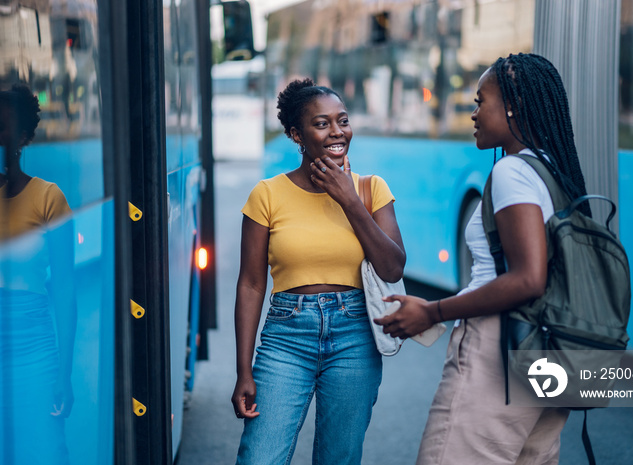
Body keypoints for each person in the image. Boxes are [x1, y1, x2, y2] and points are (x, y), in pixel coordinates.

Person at [376, 53, 590, 464]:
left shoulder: (513, 173)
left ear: (513, 106)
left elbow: (529, 278)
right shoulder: (552, 170)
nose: (473, 112)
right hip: (547, 353)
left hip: (500, 349)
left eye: (480, 101)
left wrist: (433, 311)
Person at [231, 78, 405, 465]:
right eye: (321, 123)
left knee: (338, 459)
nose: (336, 132)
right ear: (296, 134)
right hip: (286, 338)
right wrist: (244, 370)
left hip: (355, 335)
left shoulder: (371, 189)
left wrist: (348, 198)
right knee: (259, 458)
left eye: (342, 121)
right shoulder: (267, 194)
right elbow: (251, 284)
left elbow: (392, 266)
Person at [0, 83, 75, 464]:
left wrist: (64, 374)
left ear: (25, 137)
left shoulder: (49, 198)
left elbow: (65, 291)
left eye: (7, 127)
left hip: (34, 346)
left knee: (43, 449)